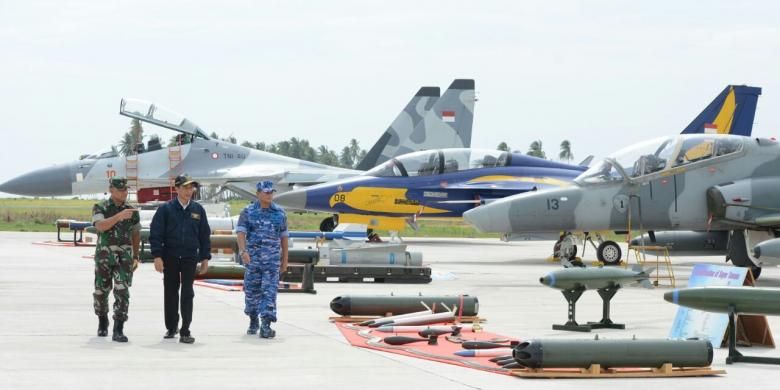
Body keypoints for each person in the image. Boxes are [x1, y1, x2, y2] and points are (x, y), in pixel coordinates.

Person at [149, 175, 211, 344]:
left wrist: (205, 257)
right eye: (185, 188)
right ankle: (171, 327)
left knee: (187, 293)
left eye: (191, 188)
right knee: (170, 292)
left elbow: (204, 235)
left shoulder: (198, 210)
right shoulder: (165, 209)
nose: (189, 191)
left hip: (190, 257)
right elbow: (156, 234)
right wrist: (157, 256)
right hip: (170, 257)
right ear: (176, 189)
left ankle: (185, 329)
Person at [91, 177, 141, 342]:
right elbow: (100, 226)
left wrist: (135, 256)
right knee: (101, 291)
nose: (124, 193)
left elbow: (135, 233)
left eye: (125, 190)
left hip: (124, 259)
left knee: (122, 291)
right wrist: (118, 217)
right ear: (111, 190)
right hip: (104, 257)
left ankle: (118, 328)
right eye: (120, 190)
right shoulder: (100, 207)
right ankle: (102, 320)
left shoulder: (132, 211)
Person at [236, 180, 289, 338]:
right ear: (258, 193)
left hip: (272, 263)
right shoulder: (248, 211)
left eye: (271, 192)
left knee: (270, 292)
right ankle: (253, 319)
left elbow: (284, 239)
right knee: (252, 293)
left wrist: (285, 260)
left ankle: (266, 324)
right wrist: (243, 251)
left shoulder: (280, 213)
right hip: (253, 261)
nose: (269, 195)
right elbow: (241, 233)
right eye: (266, 192)